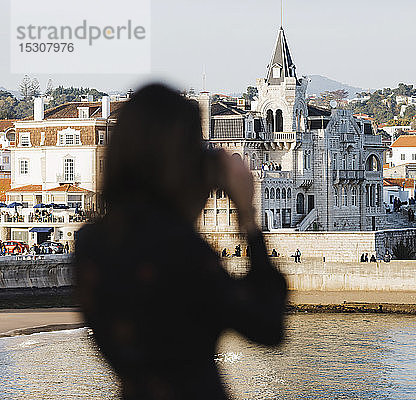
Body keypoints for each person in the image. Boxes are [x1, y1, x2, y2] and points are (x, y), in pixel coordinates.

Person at [74, 84, 287, 400]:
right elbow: (268, 326)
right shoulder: (181, 253)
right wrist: (246, 216)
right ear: (178, 162)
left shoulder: (91, 245)